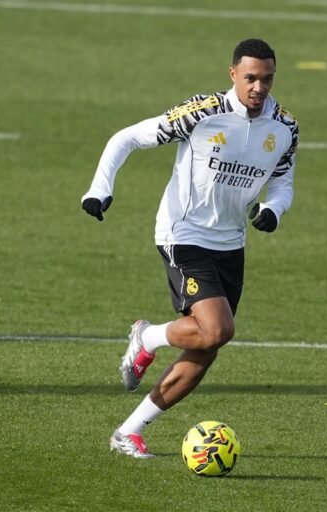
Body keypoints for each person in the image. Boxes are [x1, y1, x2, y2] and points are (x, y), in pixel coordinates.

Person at [81, 38, 298, 459]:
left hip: (231, 242)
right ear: (233, 74)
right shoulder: (202, 112)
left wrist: (274, 209)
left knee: (205, 347)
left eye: (267, 79)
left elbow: (283, 181)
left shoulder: (284, 127)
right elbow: (127, 137)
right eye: (251, 78)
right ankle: (148, 336)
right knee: (217, 330)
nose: (259, 87)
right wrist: (99, 189)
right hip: (183, 233)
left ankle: (128, 432)